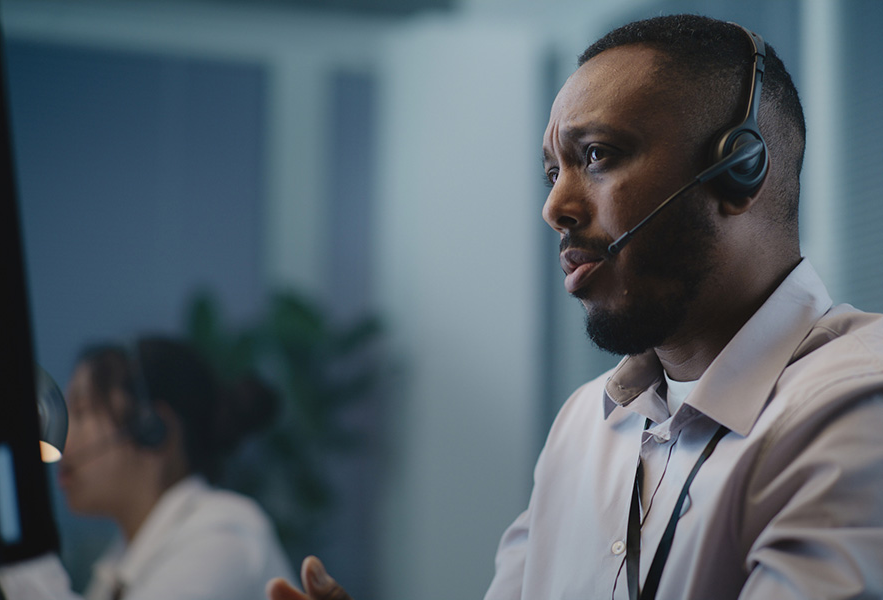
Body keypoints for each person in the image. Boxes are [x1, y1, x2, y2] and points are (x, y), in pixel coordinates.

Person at [265, 13, 883, 600]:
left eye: (596, 155)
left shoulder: (856, 406)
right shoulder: (586, 424)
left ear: (737, 170)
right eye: (552, 172)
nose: (554, 207)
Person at [0, 335, 298, 599]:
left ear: (153, 429)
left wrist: (16, 539)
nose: (63, 437)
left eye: (82, 412)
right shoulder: (122, 561)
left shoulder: (223, 535)